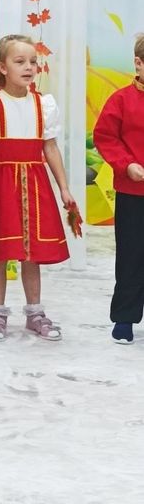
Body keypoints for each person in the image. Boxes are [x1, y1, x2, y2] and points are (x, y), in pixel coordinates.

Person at [0, 34, 73, 341]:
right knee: (0, 251)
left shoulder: (43, 105)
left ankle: (35, 313)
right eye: (20, 61)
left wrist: (64, 188)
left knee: (32, 253)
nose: (29, 67)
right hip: (1, 185)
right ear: (2, 67)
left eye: (33, 62)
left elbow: (50, 148)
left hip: (35, 185)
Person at [93, 34, 144, 345]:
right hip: (133, 193)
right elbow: (105, 137)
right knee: (131, 255)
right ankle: (125, 318)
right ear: (138, 64)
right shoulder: (121, 100)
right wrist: (127, 165)